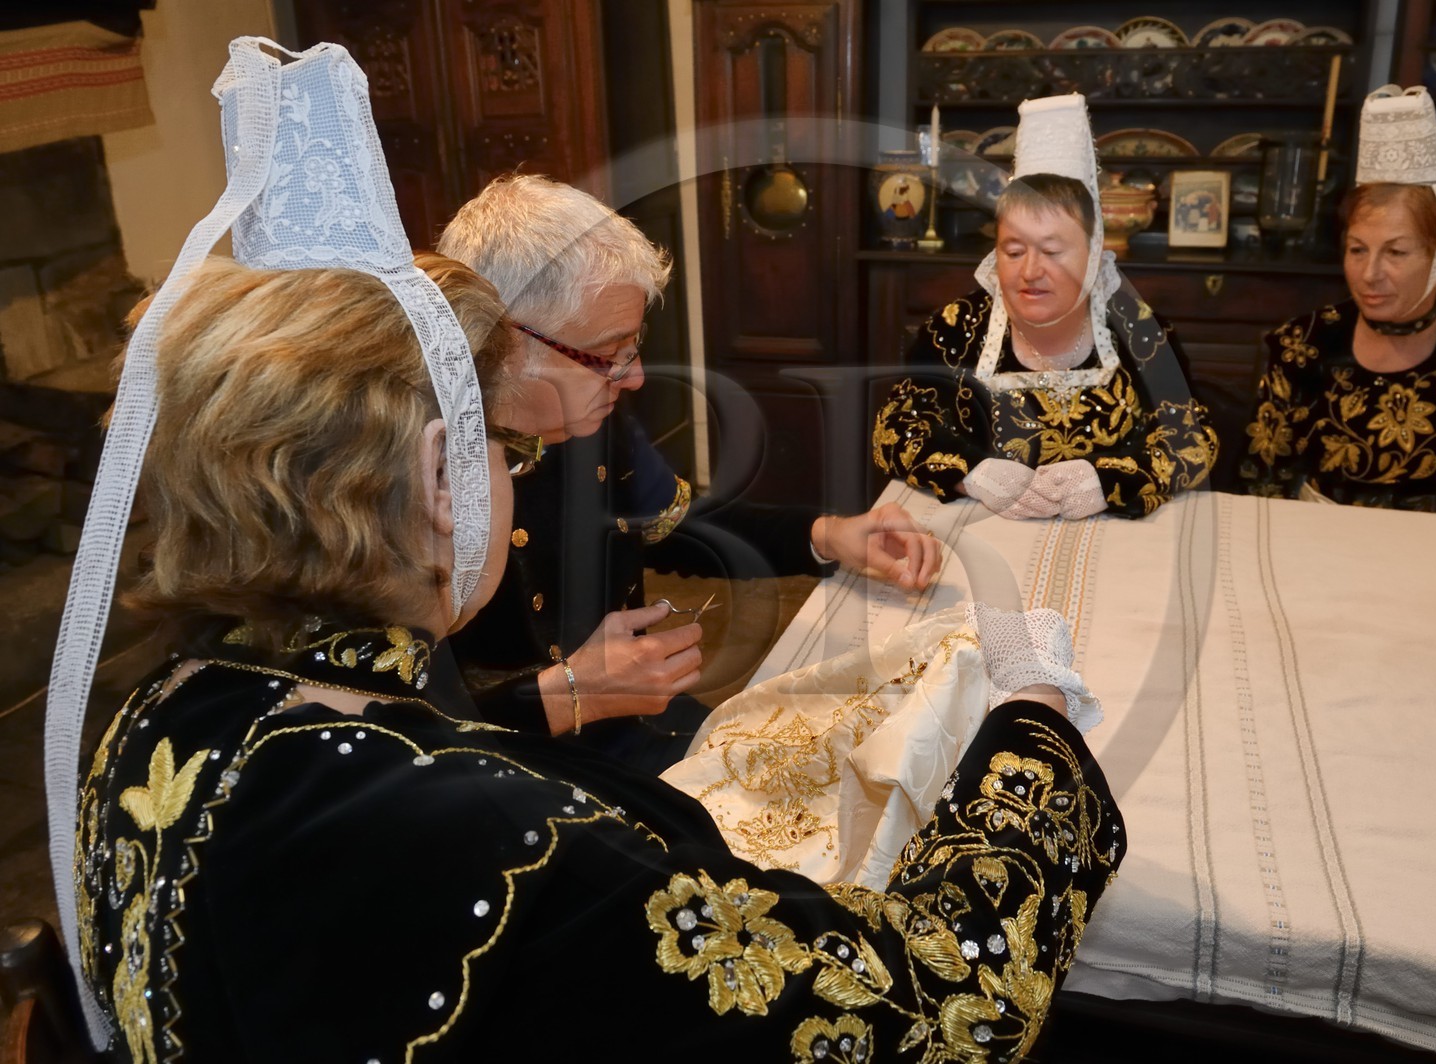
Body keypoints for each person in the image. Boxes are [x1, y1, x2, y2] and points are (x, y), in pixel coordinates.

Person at [66, 44, 1127, 1060]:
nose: (518, 456)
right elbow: (929, 1004)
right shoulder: (510, 833)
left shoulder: (148, 717)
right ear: (443, 474)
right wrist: (1030, 720)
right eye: (493, 441)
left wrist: (823, 531)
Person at [438, 174, 941, 766]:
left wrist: (827, 534)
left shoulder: (592, 420)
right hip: (510, 774)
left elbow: (674, 526)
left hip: (637, 724)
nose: (635, 376)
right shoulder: (420, 477)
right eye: (608, 352)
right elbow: (388, 729)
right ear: (506, 343)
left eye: (634, 342)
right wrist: (566, 695)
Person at [873, 94, 1218, 521]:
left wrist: (1111, 479)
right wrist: (969, 471)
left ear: (1092, 256)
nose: (1030, 271)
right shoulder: (954, 330)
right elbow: (896, 428)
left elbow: (1192, 438)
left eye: (1053, 251)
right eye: (1013, 251)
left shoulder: (1141, 333)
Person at [1240, 86, 1436, 518]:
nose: (1370, 274)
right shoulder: (1301, 345)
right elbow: (1260, 487)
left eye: (1396, 252)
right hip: (1315, 551)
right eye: (1357, 249)